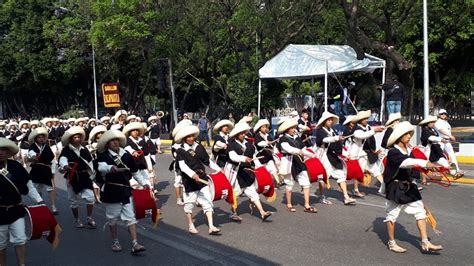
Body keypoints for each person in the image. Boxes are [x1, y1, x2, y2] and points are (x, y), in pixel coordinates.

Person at [383, 121, 443, 253]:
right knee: (392, 216)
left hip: (410, 187)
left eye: (410, 134)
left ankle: (425, 242)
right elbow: (407, 163)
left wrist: (431, 168)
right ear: (399, 136)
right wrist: (427, 163)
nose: (409, 136)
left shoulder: (409, 150)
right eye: (406, 134)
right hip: (395, 187)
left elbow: (415, 167)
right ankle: (391, 243)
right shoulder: (393, 152)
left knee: (420, 212)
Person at [95, 130, 149, 254]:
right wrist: (110, 168)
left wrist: (144, 183)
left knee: (131, 217)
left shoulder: (126, 155)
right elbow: (101, 167)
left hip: (125, 190)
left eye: (116, 140)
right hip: (111, 191)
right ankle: (115, 241)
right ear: (107, 144)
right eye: (112, 141)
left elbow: (135, 172)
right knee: (112, 218)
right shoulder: (103, 156)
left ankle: (135, 243)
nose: (115, 142)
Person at [0, 138, 44, 266]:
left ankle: (22, 264)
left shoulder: (16, 166)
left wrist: (39, 201)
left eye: (3, 150)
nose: (0, 152)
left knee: (20, 239)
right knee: (1, 243)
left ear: (7, 151)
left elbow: (28, 186)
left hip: (16, 210)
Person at [174, 125, 222, 234]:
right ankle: (191, 225)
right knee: (189, 204)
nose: (191, 138)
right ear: (184, 138)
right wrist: (192, 175)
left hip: (202, 178)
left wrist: (219, 169)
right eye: (188, 137)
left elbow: (208, 161)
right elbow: (182, 166)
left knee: (207, 201)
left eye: (192, 136)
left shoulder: (199, 147)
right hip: (190, 181)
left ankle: (211, 226)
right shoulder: (180, 151)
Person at [224, 122, 273, 221]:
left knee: (252, 192)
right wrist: (244, 158)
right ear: (237, 134)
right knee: (236, 193)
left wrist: (260, 167)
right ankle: (233, 212)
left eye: (244, 133)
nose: (243, 135)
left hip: (247, 171)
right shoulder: (231, 144)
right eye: (241, 133)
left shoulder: (249, 144)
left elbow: (254, 156)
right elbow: (233, 157)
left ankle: (262, 212)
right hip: (235, 172)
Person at [58, 126, 97, 228]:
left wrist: (93, 175)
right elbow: (62, 159)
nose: (78, 139)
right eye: (75, 137)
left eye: (79, 137)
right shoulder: (66, 150)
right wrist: (65, 166)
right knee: (73, 200)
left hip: (84, 176)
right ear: (70, 139)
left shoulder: (85, 149)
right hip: (72, 176)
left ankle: (89, 218)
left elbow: (90, 162)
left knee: (90, 198)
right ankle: (77, 219)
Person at [278, 118, 318, 213]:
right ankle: (289, 204)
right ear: (287, 129)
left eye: (294, 127)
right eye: (292, 128)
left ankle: (307, 205)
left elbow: (303, 149)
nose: (294, 129)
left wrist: (311, 154)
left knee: (306, 182)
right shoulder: (283, 139)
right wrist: (298, 151)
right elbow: (287, 149)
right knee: (289, 184)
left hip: (299, 162)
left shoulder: (298, 138)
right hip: (289, 163)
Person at [316, 112, 356, 205]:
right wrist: (336, 138)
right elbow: (325, 140)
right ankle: (322, 196)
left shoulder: (332, 131)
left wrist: (345, 154)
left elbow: (337, 145)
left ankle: (346, 197)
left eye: (331, 120)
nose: (330, 122)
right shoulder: (320, 131)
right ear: (324, 121)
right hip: (324, 156)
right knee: (322, 177)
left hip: (332, 156)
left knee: (341, 175)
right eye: (329, 120)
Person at [350, 110, 385, 196]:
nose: (366, 120)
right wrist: (375, 130)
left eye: (367, 118)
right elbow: (362, 135)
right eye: (364, 118)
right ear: (360, 120)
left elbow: (371, 133)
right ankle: (355, 189)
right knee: (359, 173)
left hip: (368, 154)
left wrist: (379, 128)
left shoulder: (368, 127)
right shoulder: (356, 129)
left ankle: (385, 187)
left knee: (376, 170)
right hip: (359, 155)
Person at [27, 127, 59, 215]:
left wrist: (53, 172)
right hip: (37, 169)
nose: (41, 139)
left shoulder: (47, 147)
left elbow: (52, 160)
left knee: (50, 188)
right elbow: (30, 153)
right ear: (35, 138)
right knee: (37, 188)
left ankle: (53, 206)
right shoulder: (32, 146)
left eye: (42, 137)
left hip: (46, 170)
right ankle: (40, 206)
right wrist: (34, 156)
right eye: (39, 137)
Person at [434, 109, 463, 176]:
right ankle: (437, 170)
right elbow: (440, 130)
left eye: (444, 113)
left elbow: (448, 131)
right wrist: (450, 136)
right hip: (440, 141)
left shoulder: (446, 122)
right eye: (442, 114)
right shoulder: (438, 122)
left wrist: (450, 138)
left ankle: (456, 170)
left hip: (447, 141)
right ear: (439, 115)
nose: (443, 115)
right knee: (438, 156)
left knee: (452, 155)